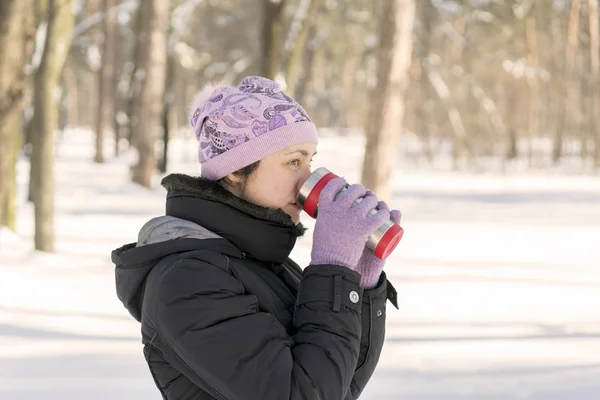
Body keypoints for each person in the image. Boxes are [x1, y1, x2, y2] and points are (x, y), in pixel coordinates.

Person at [112, 76, 400, 400]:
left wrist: (357, 283)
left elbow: (340, 385)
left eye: (310, 160)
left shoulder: (265, 261)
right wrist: (332, 272)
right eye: (293, 161)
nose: (309, 179)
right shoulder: (187, 281)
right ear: (235, 170)